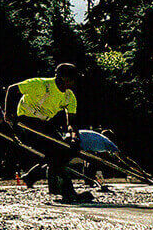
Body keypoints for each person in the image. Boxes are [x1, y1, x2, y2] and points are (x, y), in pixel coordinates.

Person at [5, 63, 91, 203]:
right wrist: (8, 114)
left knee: (66, 151)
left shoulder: (69, 97)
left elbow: (72, 123)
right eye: (72, 78)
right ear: (63, 77)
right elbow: (12, 89)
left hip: (44, 124)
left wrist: (73, 138)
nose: (75, 81)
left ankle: (46, 183)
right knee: (55, 153)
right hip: (25, 123)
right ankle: (67, 192)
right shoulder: (40, 84)